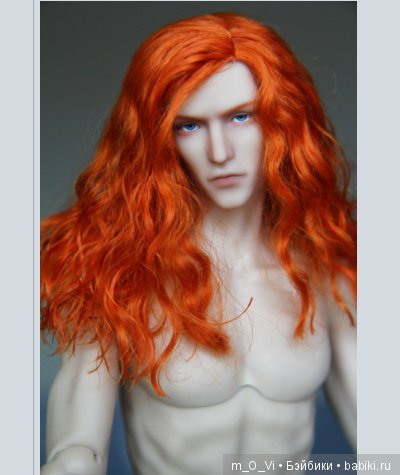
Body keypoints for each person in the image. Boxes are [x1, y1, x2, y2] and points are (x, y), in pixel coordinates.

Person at [40, 12, 356, 475]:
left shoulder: (322, 264)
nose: (220, 153)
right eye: (189, 126)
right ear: (157, 140)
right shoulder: (119, 273)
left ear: (283, 120)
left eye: (241, 117)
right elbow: (76, 450)